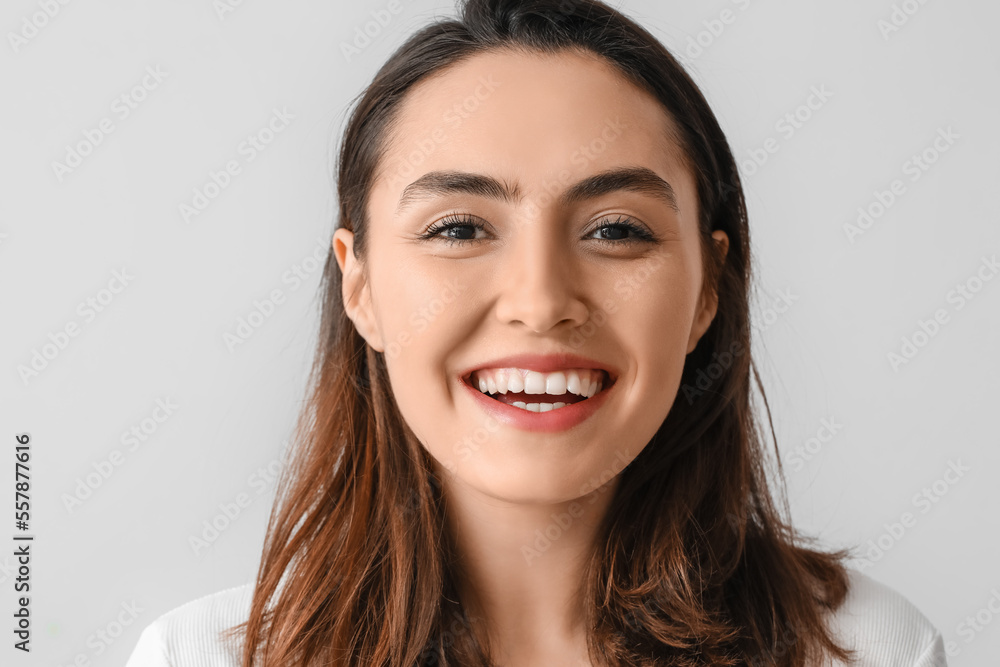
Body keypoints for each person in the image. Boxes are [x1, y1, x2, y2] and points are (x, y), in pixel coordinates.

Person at [125, 0, 948, 665]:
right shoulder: (195, 656)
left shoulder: (870, 651)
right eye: (457, 228)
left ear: (708, 290)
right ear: (361, 283)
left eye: (618, 228)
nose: (541, 299)